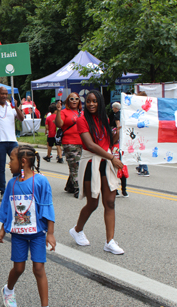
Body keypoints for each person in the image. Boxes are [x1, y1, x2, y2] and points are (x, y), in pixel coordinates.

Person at [0, 145, 55, 307]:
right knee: (19, 268)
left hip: (37, 233)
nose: (9, 164)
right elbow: (7, 208)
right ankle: (8, 290)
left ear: (23, 162)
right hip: (18, 234)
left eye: (11, 160)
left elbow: (48, 206)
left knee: (38, 268)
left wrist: (50, 233)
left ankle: (45, 305)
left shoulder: (40, 181)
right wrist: (3, 229)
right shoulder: (11, 184)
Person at [69, 90, 125, 255]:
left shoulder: (104, 119)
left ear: (100, 103)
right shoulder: (82, 120)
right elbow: (91, 145)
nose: (91, 104)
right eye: (88, 101)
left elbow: (108, 140)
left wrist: (119, 131)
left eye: (95, 101)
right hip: (91, 162)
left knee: (110, 202)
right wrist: (112, 158)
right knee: (93, 203)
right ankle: (77, 230)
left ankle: (110, 242)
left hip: (105, 163)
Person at [55, 92, 82, 198]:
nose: (74, 100)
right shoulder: (64, 112)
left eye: (76, 98)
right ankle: (77, 188)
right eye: (71, 99)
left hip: (83, 142)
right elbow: (59, 124)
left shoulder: (82, 112)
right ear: (68, 101)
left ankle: (70, 186)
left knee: (78, 164)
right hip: (70, 142)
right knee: (75, 165)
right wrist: (58, 111)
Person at [109, 102, 127, 197]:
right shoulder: (125, 115)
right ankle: (123, 190)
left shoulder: (117, 117)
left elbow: (117, 129)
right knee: (122, 167)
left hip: (117, 147)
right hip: (122, 147)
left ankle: (117, 189)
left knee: (116, 168)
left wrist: (118, 130)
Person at [134, 91, 150, 177]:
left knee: (141, 151)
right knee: (139, 150)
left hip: (142, 132)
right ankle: (140, 167)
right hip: (141, 131)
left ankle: (145, 169)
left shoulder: (145, 107)